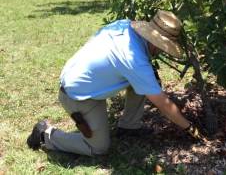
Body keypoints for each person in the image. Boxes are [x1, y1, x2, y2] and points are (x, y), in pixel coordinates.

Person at [27, 10, 205, 156]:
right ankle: (46, 135)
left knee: (149, 80)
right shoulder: (135, 60)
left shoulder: (124, 25)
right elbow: (163, 104)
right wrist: (190, 128)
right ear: (157, 44)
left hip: (78, 77)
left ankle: (129, 126)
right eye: (164, 48)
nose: (163, 52)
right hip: (77, 95)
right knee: (98, 148)